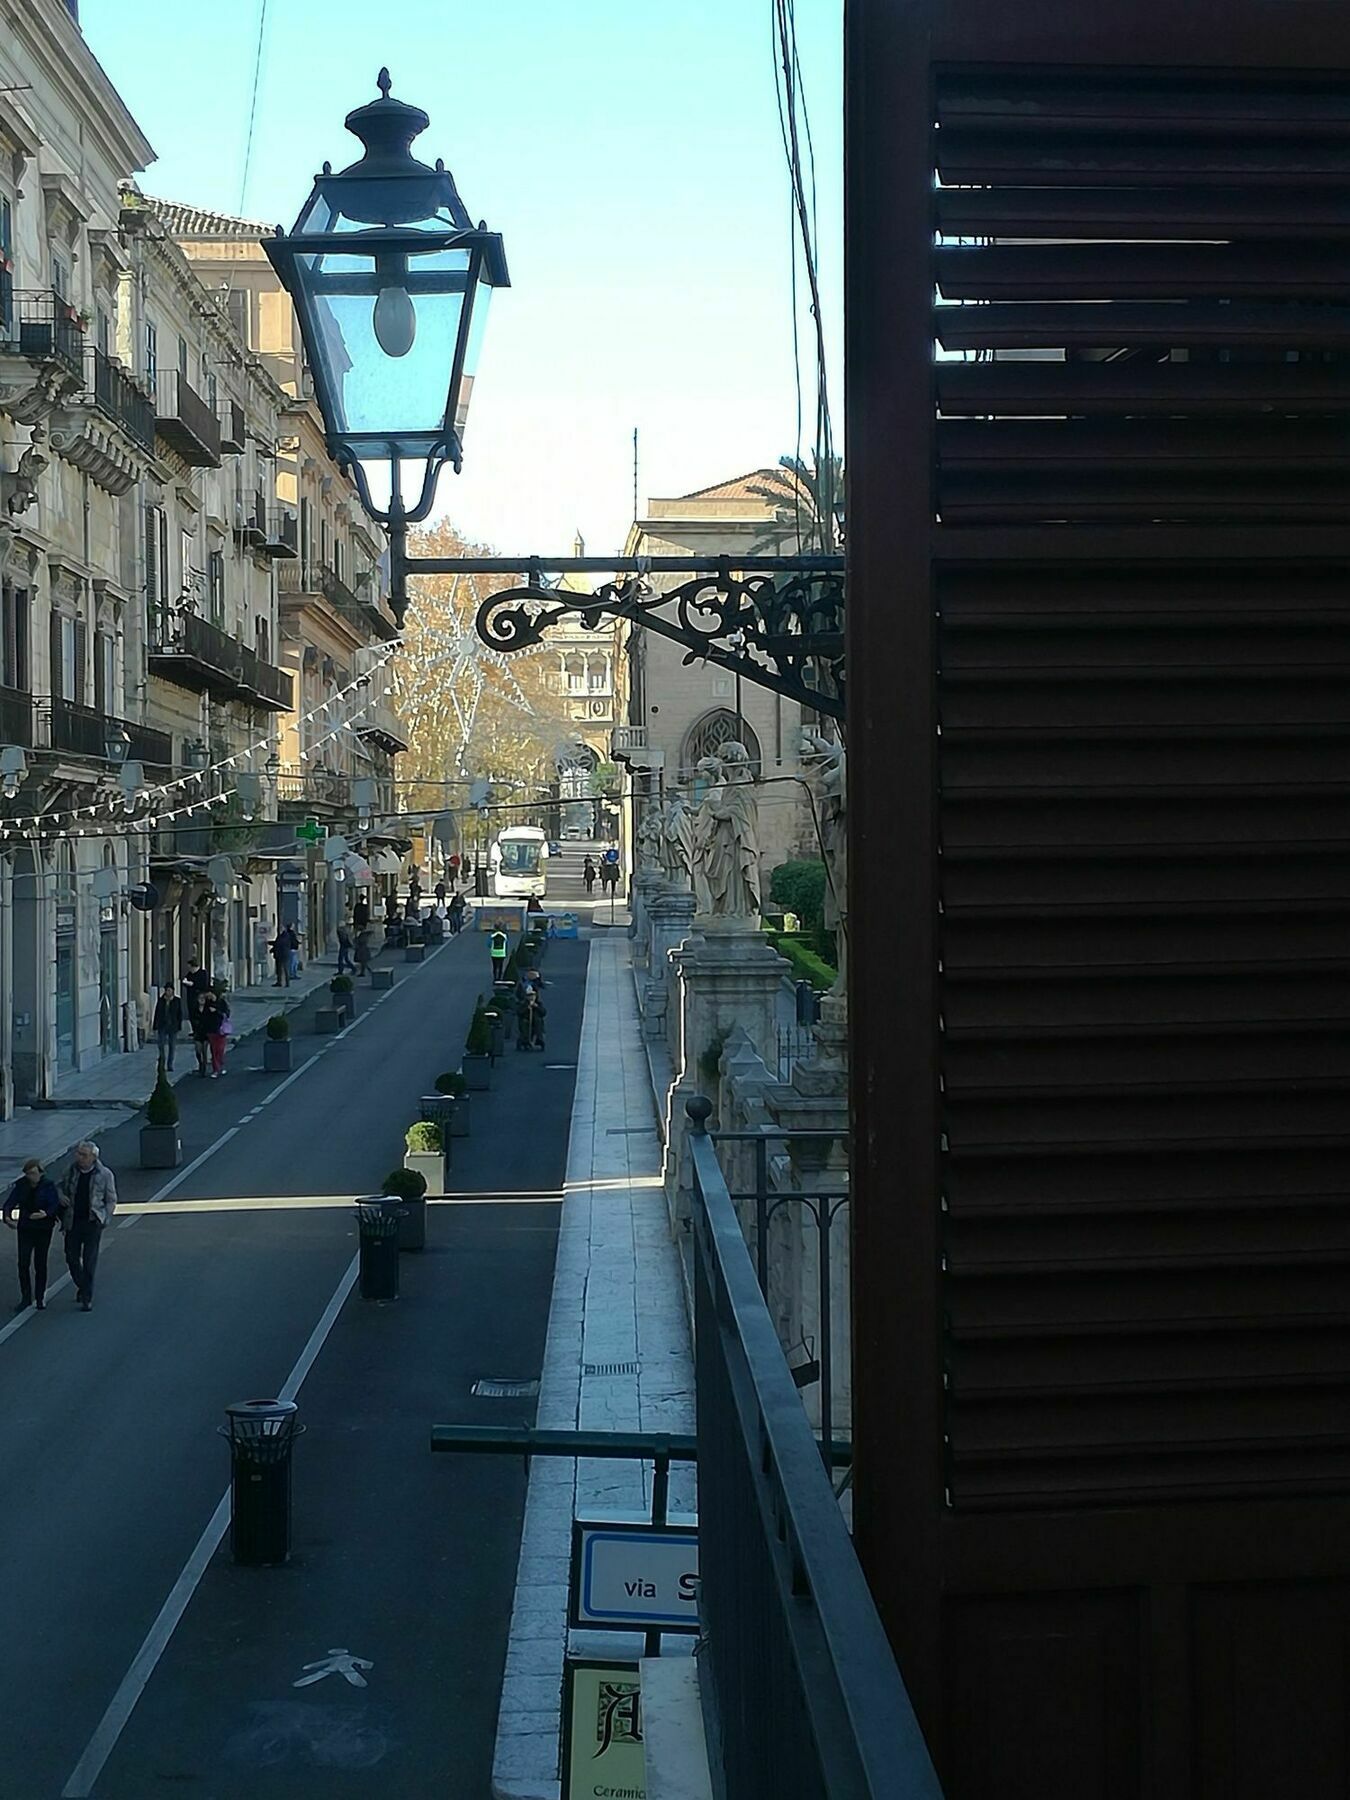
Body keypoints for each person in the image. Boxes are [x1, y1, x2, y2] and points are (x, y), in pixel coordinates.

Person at [59, 1141, 116, 1312]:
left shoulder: (104, 1174)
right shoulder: (70, 1171)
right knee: (71, 1258)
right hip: (73, 1221)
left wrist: (105, 1218)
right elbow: (58, 1186)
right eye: (78, 1153)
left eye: (83, 1155)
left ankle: (87, 1297)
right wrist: (61, 1196)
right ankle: (83, 1286)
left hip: (92, 1222)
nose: (79, 1157)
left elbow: (111, 1199)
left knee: (90, 1260)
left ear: (93, 1157)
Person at [3, 1158, 61, 1312]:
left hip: (43, 1228)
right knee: (23, 1263)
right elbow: (10, 1202)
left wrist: (45, 1214)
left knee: (40, 1263)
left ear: (40, 1173)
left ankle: (40, 1297)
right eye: (28, 1174)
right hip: (26, 1228)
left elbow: (54, 1204)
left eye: (33, 1173)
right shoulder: (22, 1185)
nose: (31, 1177)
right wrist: (7, 1217)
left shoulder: (48, 1186)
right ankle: (26, 1297)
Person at [184, 957, 213, 1075]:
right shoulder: (195, 1009)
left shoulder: (202, 973)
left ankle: (204, 1066)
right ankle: (201, 1062)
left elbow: (202, 985)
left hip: (205, 1031)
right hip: (198, 1032)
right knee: (198, 1049)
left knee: (205, 1049)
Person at [199, 984, 231, 1078]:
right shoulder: (207, 1003)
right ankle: (216, 1069)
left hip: (221, 1029)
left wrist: (216, 1011)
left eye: (208, 993)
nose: (207, 995)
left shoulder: (221, 1002)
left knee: (220, 1049)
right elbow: (204, 1016)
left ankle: (220, 1065)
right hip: (211, 1030)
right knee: (214, 1050)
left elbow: (226, 1014)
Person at [152, 981, 183, 1072]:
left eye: (170, 990)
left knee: (172, 1046)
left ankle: (170, 1064)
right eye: (167, 990)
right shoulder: (161, 1000)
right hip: (162, 1025)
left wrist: (179, 1026)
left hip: (173, 1026)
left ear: (173, 991)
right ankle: (162, 1061)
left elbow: (179, 1014)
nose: (168, 992)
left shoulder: (177, 1000)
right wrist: (155, 1026)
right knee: (161, 1044)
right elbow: (157, 1013)